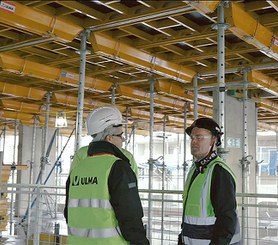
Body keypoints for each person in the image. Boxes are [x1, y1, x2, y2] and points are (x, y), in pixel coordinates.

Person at [64, 106, 149, 245]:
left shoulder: (78, 169)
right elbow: (130, 215)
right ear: (109, 138)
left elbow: (68, 212)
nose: (123, 139)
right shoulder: (118, 167)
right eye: (120, 135)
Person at [179, 117, 240, 245]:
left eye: (199, 137)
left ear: (214, 139)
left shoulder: (219, 172)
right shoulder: (195, 169)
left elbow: (227, 219)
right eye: (192, 138)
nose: (194, 142)